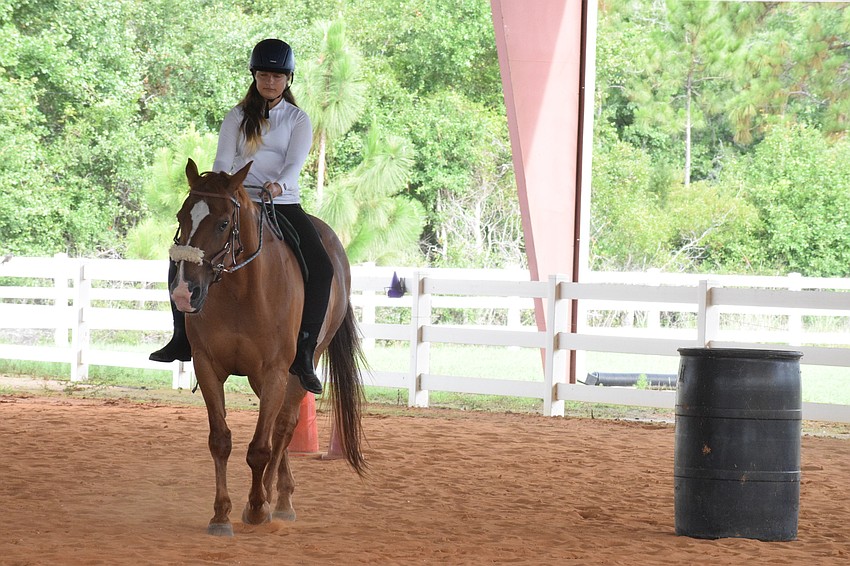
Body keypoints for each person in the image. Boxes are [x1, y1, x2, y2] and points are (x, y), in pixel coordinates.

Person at [150, 38, 331, 396]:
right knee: (182, 254)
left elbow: (294, 164)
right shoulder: (237, 116)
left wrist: (278, 186)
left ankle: (305, 351)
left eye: (277, 76)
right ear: (255, 76)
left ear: (288, 79)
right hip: (235, 198)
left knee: (322, 268)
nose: (270, 82)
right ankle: (181, 337)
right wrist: (221, 189)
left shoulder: (298, 120)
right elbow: (221, 161)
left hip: (282, 202)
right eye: (264, 75)